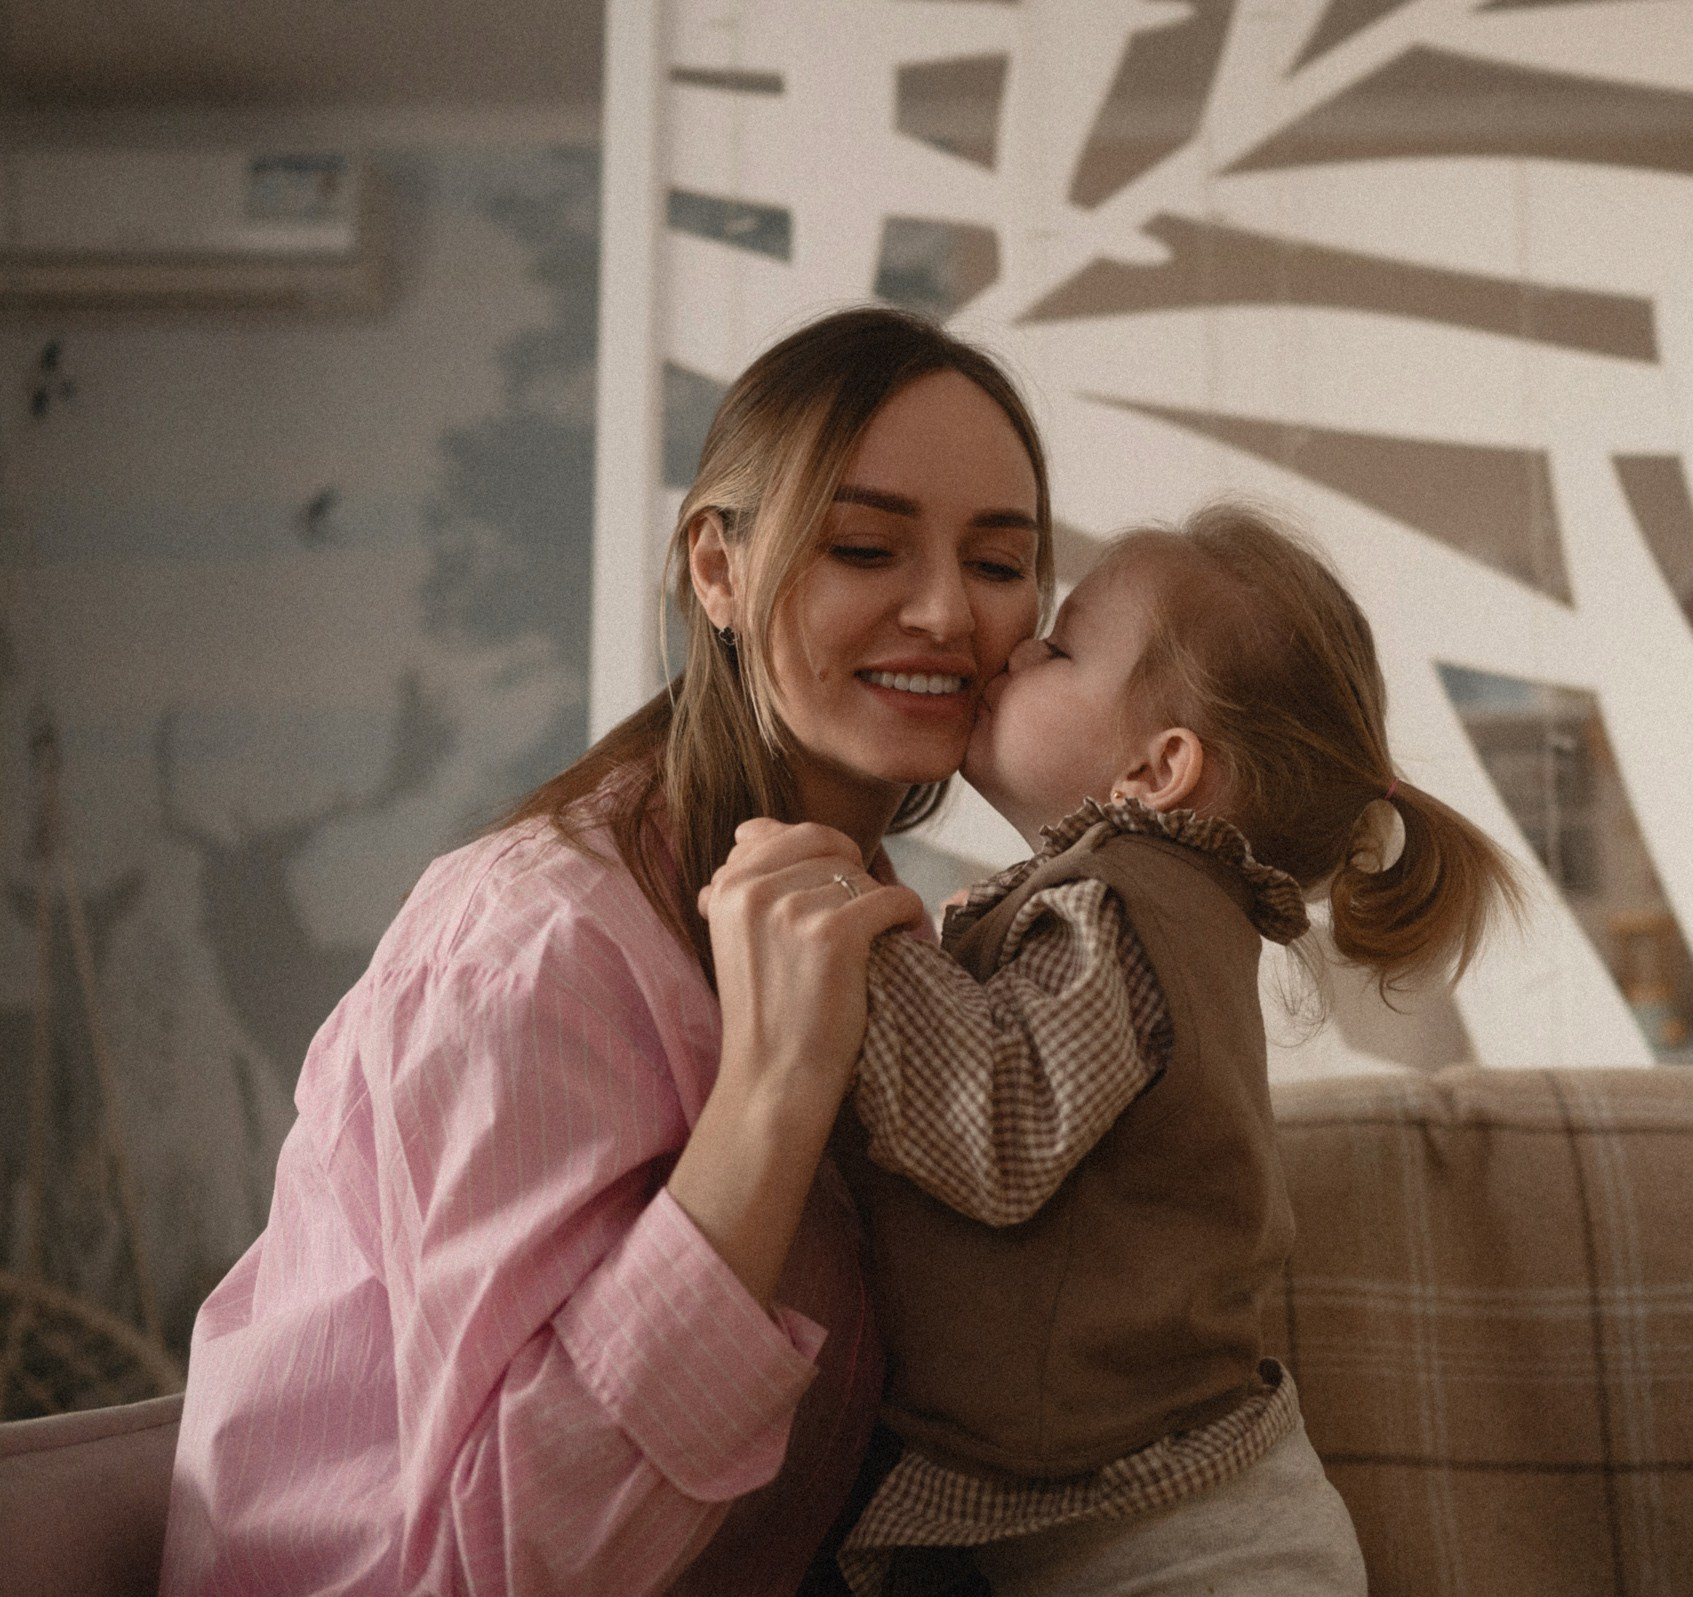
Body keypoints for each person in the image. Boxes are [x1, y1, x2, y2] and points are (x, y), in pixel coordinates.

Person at [160, 306, 1056, 1597]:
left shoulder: (870, 924)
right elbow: (515, 1562)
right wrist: (770, 1092)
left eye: (1000, 563)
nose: (944, 612)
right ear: (718, 569)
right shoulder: (535, 940)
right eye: (866, 544)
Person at [822, 502, 1522, 1595]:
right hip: (1141, 1513)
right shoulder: (1144, 909)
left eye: (1056, 648)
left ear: (1156, 771)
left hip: (1187, 1543)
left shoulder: (1120, 908)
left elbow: (996, 1133)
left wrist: (858, 921)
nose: (1014, 649)